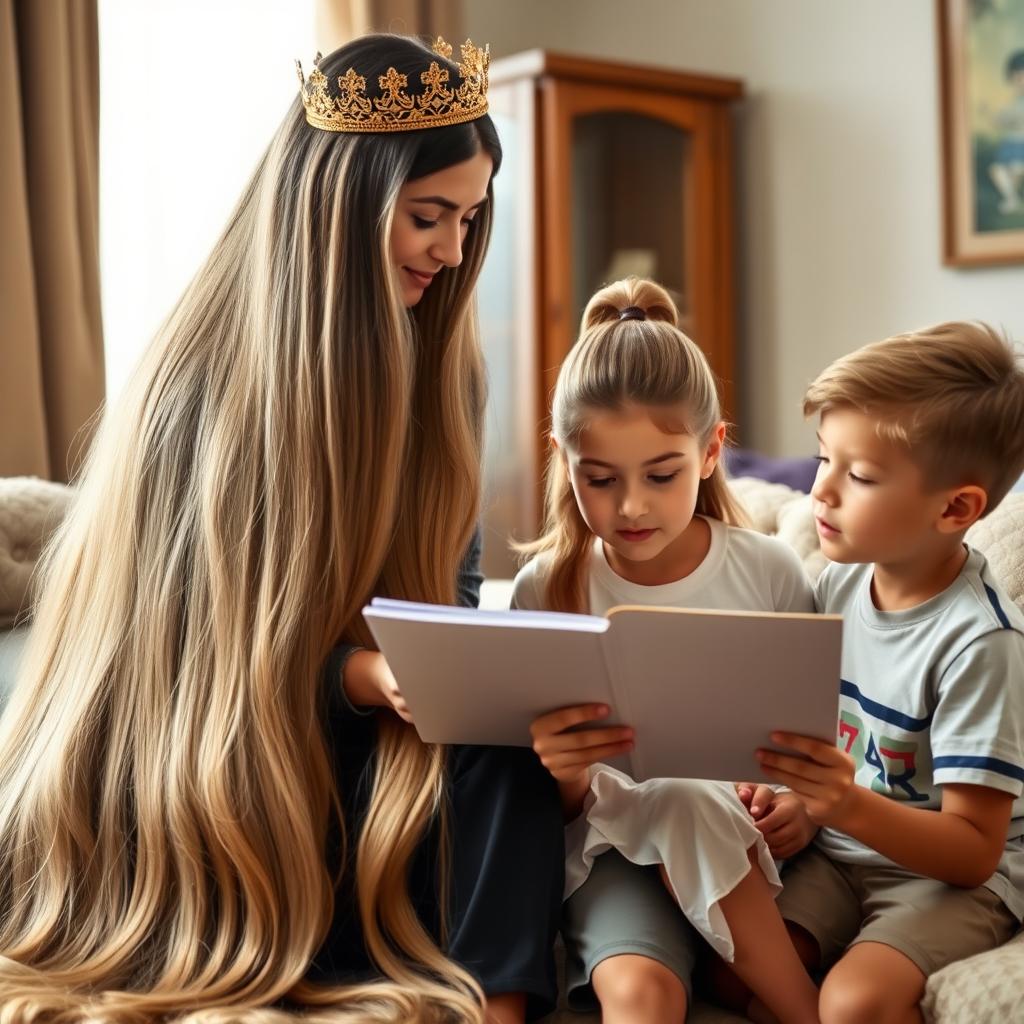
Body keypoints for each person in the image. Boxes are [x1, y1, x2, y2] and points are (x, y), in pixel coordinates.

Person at [0, 34, 564, 1024]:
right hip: (203, 766)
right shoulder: (197, 388)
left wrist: (458, 671)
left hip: (371, 750)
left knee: (505, 742)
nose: (451, 249)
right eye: (427, 217)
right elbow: (167, 657)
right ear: (336, 211)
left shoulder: (444, 379)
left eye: (470, 220)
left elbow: (453, 602)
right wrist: (360, 673)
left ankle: (498, 1006)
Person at [512, 277, 820, 1024]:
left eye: (661, 474)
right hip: (613, 858)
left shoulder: (768, 570)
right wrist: (566, 772)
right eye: (600, 479)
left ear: (711, 451)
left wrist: (801, 808)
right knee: (640, 996)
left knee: (694, 803)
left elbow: (825, 740)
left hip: (745, 848)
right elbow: (535, 809)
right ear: (563, 459)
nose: (631, 507)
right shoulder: (546, 589)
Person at [754, 322, 1024, 1024]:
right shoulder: (837, 588)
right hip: (844, 851)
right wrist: (798, 803)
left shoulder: (980, 644)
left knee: (852, 1004)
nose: (823, 493)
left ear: (957, 508)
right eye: (823, 461)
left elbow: (971, 852)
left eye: (861, 476)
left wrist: (838, 804)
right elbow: (815, 743)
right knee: (742, 961)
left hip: (955, 882)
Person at [987, 49, 1024, 214]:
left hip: (1021, 143)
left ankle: (1012, 198)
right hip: (1010, 144)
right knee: (997, 171)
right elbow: (1002, 120)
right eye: (1017, 77)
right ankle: (1012, 198)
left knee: (1017, 168)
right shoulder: (1013, 102)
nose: (1021, 81)